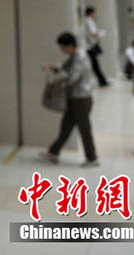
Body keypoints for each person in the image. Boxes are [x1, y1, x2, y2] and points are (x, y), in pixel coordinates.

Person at [39, 32, 99, 167]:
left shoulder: (80, 57)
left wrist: (57, 82)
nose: (62, 50)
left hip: (81, 98)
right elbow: (64, 66)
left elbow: (72, 76)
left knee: (84, 128)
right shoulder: (75, 55)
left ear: (71, 45)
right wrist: (53, 67)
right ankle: (53, 152)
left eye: (63, 47)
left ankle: (92, 158)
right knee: (66, 125)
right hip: (74, 97)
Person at [84, 6, 109, 87]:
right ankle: (102, 81)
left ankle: (102, 81)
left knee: (94, 65)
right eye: (94, 13)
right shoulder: (89, 21)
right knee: (95, 65)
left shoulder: (87, 21)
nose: (95, 14)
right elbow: (94, 33)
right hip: (90, 46)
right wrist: (101, 34)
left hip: (89, 46)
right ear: (91, 13)